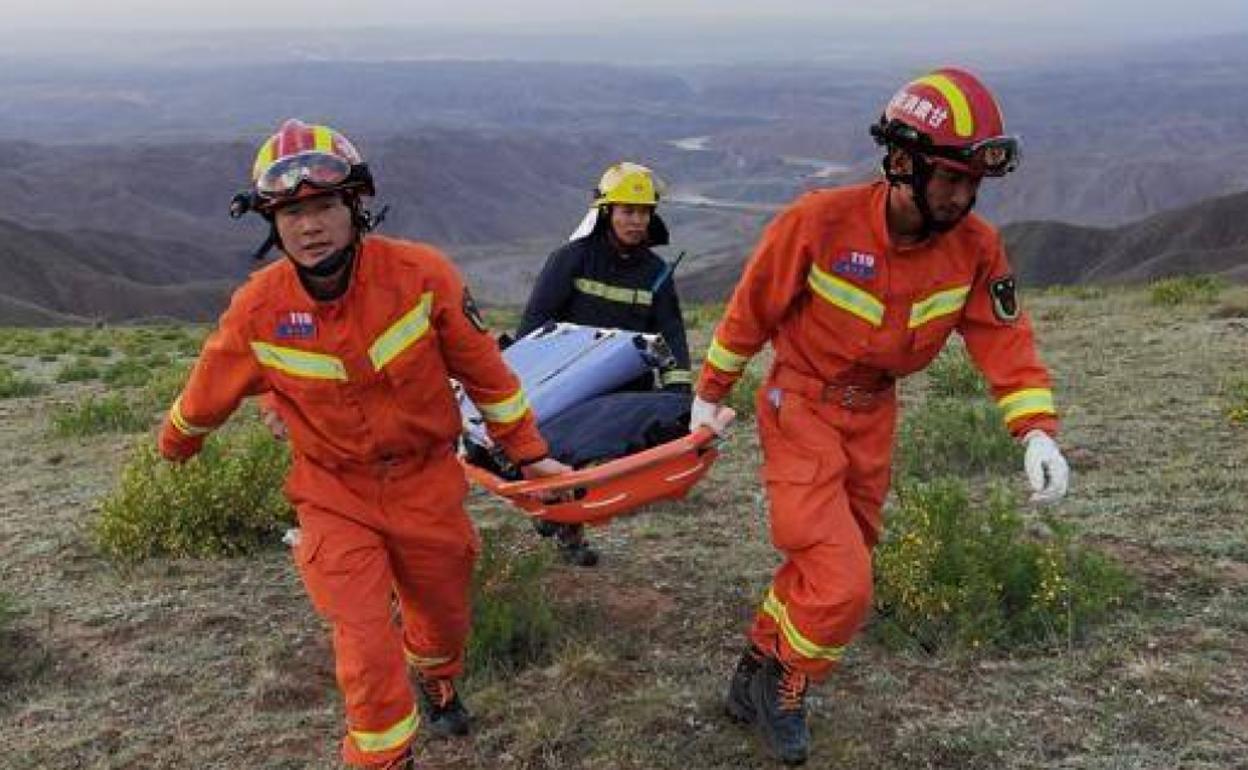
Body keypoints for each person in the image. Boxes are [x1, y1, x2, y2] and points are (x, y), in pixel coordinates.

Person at [157, 118, 567, 770]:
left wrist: (529, 451)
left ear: (355, 205)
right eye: (290, 213)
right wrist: (175, 445)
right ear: (272, 223)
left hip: (426, 482)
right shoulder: (257, 310)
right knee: (365, 637)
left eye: (322, 206)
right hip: (332, 492)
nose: (309, 226)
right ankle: (382, 757)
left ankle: (437, 677)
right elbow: (209, 388)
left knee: (443, 616)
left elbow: (486, 373)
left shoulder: (421, 275)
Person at [688, 68, 1071, 765]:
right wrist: (710, 395)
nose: (964, 196)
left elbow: (1002, 338)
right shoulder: (818, 222)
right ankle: (788, 683)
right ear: (901, 162)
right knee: (842, 583)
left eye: (972, 183)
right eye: (950, 178)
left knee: (829, 566)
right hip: (798, 406)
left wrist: (1036, 429)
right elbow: (752, 310)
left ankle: (752, 667)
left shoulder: (976, 247)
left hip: (874, 419)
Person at [516, 161, 693, 567]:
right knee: (563, 455)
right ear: (606, 212)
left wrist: (678, 394)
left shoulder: (656, 273)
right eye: (628, 211)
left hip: (624, 386)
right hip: (570, 382)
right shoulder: (571, 260)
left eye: (644, 212)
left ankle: (564, 518)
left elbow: (672, 333)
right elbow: (534, 326)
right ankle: (564, 526)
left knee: (595, 459)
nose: (636, 221)